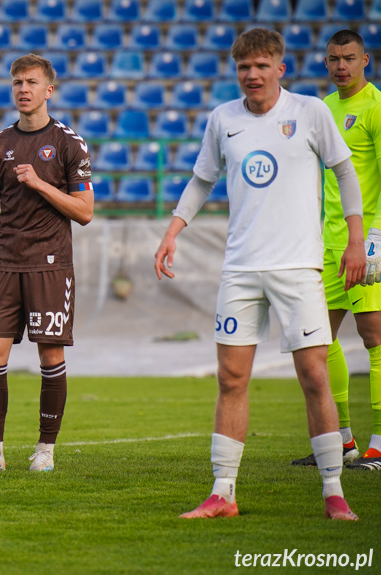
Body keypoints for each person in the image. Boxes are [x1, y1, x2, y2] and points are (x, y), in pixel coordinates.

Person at [154, 28, 363, 520]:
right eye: (244, 67)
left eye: (261, 66)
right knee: (231, 378)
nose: (252, 75)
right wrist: (172, 231)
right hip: (241, 269)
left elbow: (345, 172)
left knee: (313, 375)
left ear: (279, 69)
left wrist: (356, 240)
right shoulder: (222, 118)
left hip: (297, 267)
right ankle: (222, 493)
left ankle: (334, 492)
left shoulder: (310, 112)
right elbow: (201, 179)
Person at [0, 54, 94, 472]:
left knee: (50, 357)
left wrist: (39, 183)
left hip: (50, 265)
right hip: (4, 265)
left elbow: (85, 211)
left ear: (48, 90)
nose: (23, 89)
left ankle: (45, 450)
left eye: (32, 82)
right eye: (17, 82)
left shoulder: (70, 143)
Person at [292, 29, 381, 472]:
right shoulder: (322, 110)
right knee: (318, 338)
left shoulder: (377, 108)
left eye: (348, 57)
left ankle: (379, 445)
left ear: (366, 59)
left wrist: (371, 242)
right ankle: (341, 441)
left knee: (374, 336)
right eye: (333, 59)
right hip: (323, 244)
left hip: (365, 240)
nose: (341, 65)